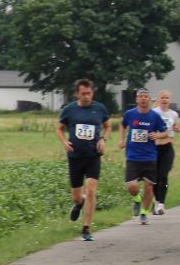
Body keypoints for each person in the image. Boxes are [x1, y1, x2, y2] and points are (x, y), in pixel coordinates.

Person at [56, 78, 110, 242]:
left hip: (93, 156)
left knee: (91, 190)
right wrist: (64, 142)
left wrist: (103, 139)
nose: (87, 96)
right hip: (75, 157)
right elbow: (59, 128)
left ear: (92, 93)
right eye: (83, 94)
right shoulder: (69, 110)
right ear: (77, 94)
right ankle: (80, 203)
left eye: (89, 93)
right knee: (77, 197)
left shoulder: (99, 108)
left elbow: (108, 126)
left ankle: (86, 228)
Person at [118, 88, 169, 225]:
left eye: (146, 96)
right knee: (132, 186)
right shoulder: (130, 114)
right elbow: (122, 126)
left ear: (149, 99)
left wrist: (158, 135)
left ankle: (144, 213)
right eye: (141, 96)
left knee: (148, 187)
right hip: (132, 156)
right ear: (137, 99)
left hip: (149, 156)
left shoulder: (154, 116)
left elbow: (165, 132)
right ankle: (137, 199)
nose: (143, 98)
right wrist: (121, 140)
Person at [151, 90, 180, 214]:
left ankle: (161, 203)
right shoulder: (154, 112)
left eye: (167, 98)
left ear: (170, 100)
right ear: (158, 99)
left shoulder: (174, 114)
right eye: (162, 97)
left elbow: (175, 127)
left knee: (163, 174)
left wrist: (176, 129)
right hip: (155, 148)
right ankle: (156, 200)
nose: (164, 100)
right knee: (155, 177)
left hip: (167, 147)